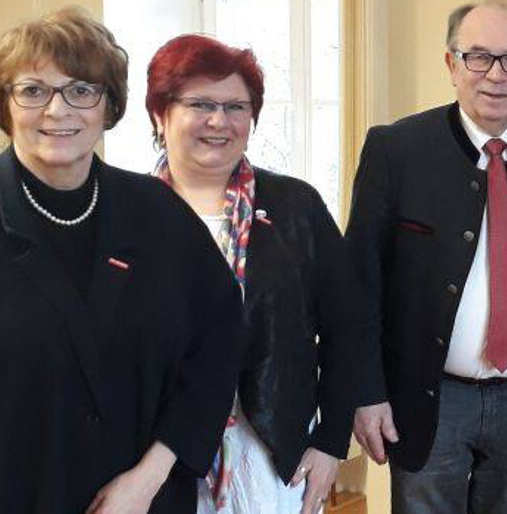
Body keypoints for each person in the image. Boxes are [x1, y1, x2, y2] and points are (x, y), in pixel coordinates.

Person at [0, 7, 246, 513]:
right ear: (4, 103)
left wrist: (151, 475)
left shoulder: (159, 218)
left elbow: (219, 347)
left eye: (81, 90)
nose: (57, 110)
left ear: (109, 105)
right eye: (33, 90)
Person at [343, 1, 507, 512]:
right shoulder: (397, 150)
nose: (495, 75)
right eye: (478, 56)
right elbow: (358, 283)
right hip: (427, 397)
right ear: (451, 65)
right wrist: (366, 394)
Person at [144, 34, 364, 514]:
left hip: (270, 448)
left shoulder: (295, 207)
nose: (219, 121)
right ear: (161, 113)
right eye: (200, 104)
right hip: (159, 457)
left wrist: (330, 443)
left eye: (236, 107)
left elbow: (348, 327)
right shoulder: (129, 213)